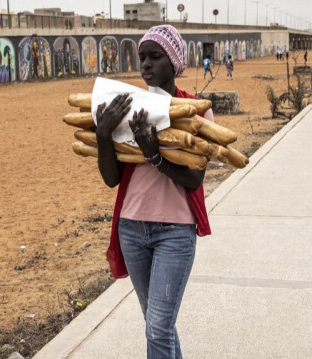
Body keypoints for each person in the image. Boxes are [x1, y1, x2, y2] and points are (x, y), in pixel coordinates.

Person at [94, 24, 212, 358]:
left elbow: (194, 180)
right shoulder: (128, 106)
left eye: (155, 57)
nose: (145, 65)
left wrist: (154, 156)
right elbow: (111, 179)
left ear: (174, 62)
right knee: (157, 325)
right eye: (142, 57)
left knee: (158, 326)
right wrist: (104, 135)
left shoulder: (196, 110)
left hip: (175, 232)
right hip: (131, 228)